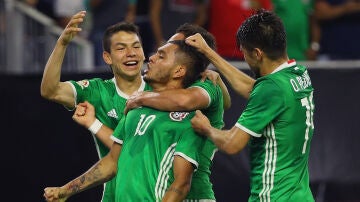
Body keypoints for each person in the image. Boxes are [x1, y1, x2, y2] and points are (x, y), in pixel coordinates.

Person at [43, 30, 220, 201]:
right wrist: (65, 191)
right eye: (121, 48)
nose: (151, 58)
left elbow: (181, 184)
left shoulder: (193, 116)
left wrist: (217, 77)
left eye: (161, 56)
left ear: (179, 71)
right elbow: (112, 162)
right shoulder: (137, 106)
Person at [187, 10, 315, 201]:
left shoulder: (271, 89)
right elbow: (255, 90)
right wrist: (209, 53)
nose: (244, 59)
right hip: (300, 196)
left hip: (273, 197)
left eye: (245, 53)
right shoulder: (297, 74)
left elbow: (231, 144)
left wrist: (206, 128)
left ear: (257, 53)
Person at [40, 11, 151, 202]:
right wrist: (62, 44)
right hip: (115, 196)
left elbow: (134, 152)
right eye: (121, 48)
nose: (131, 53)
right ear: (107, 58)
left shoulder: (161, 90)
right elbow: (51, 91)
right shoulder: (97, 91)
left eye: (136, 46)